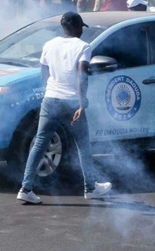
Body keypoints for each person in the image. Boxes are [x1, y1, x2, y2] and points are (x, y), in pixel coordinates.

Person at [16, 12, 112, 204]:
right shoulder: (83, 47)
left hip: (51, 99)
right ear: (77, 27)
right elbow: (82, 76)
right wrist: (81, 102)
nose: (81, 32)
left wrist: (49, 90)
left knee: (40, 143)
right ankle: (90, 188)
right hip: (71, 102)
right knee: (83, 144)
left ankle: (26, 188)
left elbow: (44, 72)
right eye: (81, 28)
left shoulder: (49, 45)